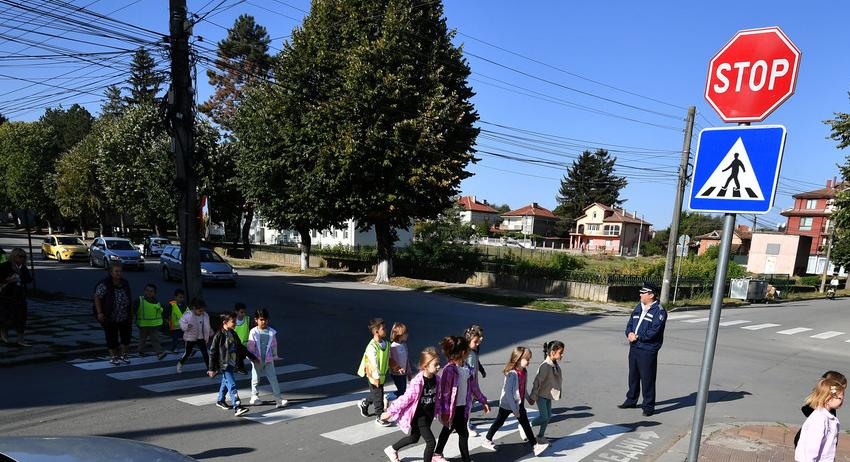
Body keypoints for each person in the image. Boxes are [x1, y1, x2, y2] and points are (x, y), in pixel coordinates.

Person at [480, 346, 549, 456]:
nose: (529, 361)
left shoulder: (524, 372)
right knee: (499, 422)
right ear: (518, 359)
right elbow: (508, 393)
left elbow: (523, 388)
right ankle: (487, 440)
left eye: (529, 359)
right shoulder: (512, 374)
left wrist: (528, 398)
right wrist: (515, 409)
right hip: (508, 404)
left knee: (525, 424)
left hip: (518, 404)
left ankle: (535, 446)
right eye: (527, 359)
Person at [433, 336, 490, 462]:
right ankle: (462, 458)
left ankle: (438, 454)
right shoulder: (449, 370)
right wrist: (445, 412)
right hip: (453, 409)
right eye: (467, 350)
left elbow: (474, 387)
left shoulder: (466, 368)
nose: (469, 352)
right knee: (459, 433)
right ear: (463, 352)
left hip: (463, 408)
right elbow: (445, 393)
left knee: (454, 432)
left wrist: (483, 401)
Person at [380, 347, 441, 462]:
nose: (438, 367)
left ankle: (392, 449)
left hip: (428, 415)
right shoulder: (417, 382)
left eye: (439, 364)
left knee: (414, 438)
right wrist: (389, 413)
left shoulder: (437, 379)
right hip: (419, 416)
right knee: (431, 442)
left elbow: (439, 397)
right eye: (435, 364)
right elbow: (405, 399)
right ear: (425, 365)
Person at [618, 283, 667, 417]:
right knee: (633, 375)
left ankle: (648, 406)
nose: (640, 294)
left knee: (647, 378)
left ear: (651, 295)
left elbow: (654, 331)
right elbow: (630, 324)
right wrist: (629, 333)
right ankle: (631, 400)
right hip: (634, 346)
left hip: (647, 349)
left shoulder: (659, 310)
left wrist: (638, 336)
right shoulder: (638, 307)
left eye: (643, 293)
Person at [208, 311, 256, 417]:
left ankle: (220, 400)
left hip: (232, 363)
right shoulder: (219, 335)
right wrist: (211, 368)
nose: (235, 324)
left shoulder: (233, 333)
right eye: (233, 322)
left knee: (226, 382)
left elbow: (240, 347)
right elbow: (212, 352)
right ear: (225, 322)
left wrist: (252, 356)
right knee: (232, 384)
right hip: (224, 364)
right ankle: (237, 406)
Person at [795, 377, 845, 461]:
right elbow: (812, 446)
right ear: (828, 399)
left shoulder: (828, 417)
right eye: (840, 398)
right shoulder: (819, 419)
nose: (842, 400)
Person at [246, 308, 287, 409]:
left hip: (268, 360)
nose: (263, 322)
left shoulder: (271, 332)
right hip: (257, 360)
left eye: (265, 319)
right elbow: (250, 347)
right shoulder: (253, 332)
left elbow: (274, 345)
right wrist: (252, 358)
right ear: (256, 320)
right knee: (255, 379)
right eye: (261, 319)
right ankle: (254, 397)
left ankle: (278, 399)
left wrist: (275, 355)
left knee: (273, 379)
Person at [93, 263, 133, 366]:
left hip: (124, 315)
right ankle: (114, 357)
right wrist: (100, 312)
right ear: (111, 272)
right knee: (112, 338)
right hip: (110, 316)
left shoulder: (125, 283)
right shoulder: (105, 284)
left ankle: (124, 355)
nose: (119, 273)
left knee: (126, 337)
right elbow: (97, 297)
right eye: (116, 271)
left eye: (120, 271)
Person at [357, 317, 392, 426]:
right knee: (379, 395)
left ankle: (364, 403)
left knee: (375, 394)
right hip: (373, 375)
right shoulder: (372, 347)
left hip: (381, 375)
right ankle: (379, 416)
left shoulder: (386, 343)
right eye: (383, 328)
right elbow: (373, 364)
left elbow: (389, 357)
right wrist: (376, 378)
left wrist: (395, 366)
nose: (386, 330)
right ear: (377, 331)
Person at [529, 340, 565, 444]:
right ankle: (526, 426)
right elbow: (537, 382)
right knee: (544, 416)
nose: (562, 354)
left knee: (548, 417)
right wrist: (533, 396)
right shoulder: (545, 366)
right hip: (540, 395)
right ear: (553, 352)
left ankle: (540, 436)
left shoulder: (553, 363)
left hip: (547, 394)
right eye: (561, 352)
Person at [0, 248, 32, 347]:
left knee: (21, 317)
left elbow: (28, 279)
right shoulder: (5, 266)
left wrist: (20, 276)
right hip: (7, 294)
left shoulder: (23, 268)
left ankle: (20, 339)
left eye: (24, 257)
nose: (22, 258)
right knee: (6, 316)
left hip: (20, 295)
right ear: (14, 256)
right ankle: (3, 335)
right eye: (20, 256)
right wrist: (7, 280)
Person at [177, 298, 212, 373]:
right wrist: (186, 326)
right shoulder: (188, 314)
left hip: (201, 338)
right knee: (187, 353)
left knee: (205, 353)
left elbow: (207, 326)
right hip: (190, 337)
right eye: (200, 310)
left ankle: (210, 369)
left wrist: (210, 332)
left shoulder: (205, 315)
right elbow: (181, 322)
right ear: (194, 308)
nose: (202, 312)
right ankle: (180, 364)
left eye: (203, 310)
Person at [463, 324, 487, 436]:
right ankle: (465, 425)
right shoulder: (467, 353)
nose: (479, 342)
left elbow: (477, 362)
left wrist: (481, 370)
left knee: (470, 403)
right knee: (467, 404)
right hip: (467, 383)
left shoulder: (474, 350)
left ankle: (464, 423)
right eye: (476, 341)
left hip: (473, 381)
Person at [135, 283, 167, 360]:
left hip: (153, 325)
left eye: (151, 291)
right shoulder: (140, 300)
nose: (149, 292)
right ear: (144, 291)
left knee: (155, 338)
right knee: (142, 339)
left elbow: (159, 312)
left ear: (154, 293)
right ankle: (140, 351)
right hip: (143, 324)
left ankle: (159, 352)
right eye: (147, 290)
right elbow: (134, 310)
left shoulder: (156, 302)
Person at [389, 322, 413, 399]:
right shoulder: (393, 347)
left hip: (403, 372)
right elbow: (391, 361)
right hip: (396, 373)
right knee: (402, 391)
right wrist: (397, 369)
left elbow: (407, 360)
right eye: (405, 333)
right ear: (399, 335)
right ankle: (389, 398)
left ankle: (393, 400)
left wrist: (409, 372)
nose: (407, 335)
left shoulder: (404, 345)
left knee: (403, 391)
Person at [234, 303, 250, 373]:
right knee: (239, 355)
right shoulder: (233, 321)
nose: (243, 314)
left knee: (243, 356)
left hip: (245, 343)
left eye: (244, 312)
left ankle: (237, 365)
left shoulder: (247, 319)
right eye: (241, 312)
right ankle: (240, 368)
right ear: (236, 312)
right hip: (235, 343)